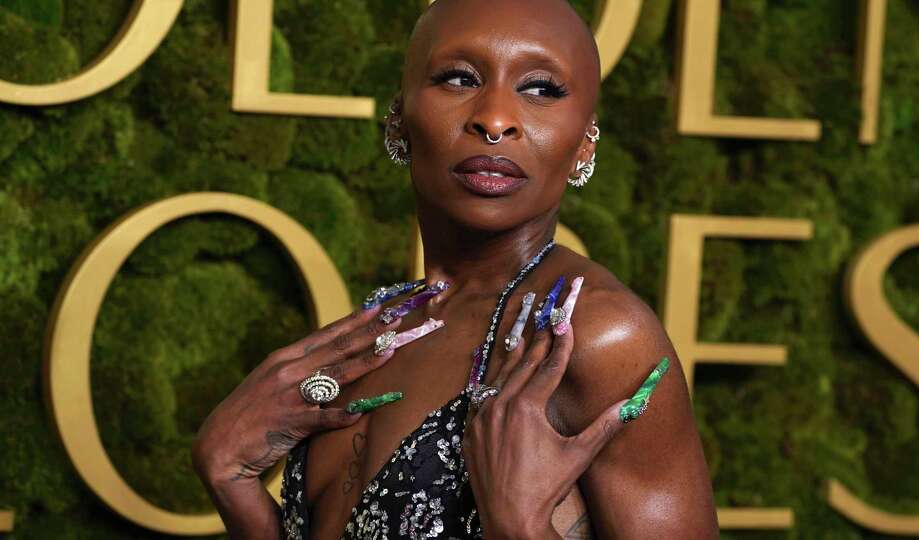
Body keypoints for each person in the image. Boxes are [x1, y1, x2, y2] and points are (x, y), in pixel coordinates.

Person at [192, 0, 719, 537]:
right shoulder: (384, 322)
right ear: (399, 118)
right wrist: (231, 480)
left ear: (585, 141)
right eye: (459, 78)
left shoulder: (595, 337)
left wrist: (519, 526)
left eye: (541, 89)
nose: (494, 119)